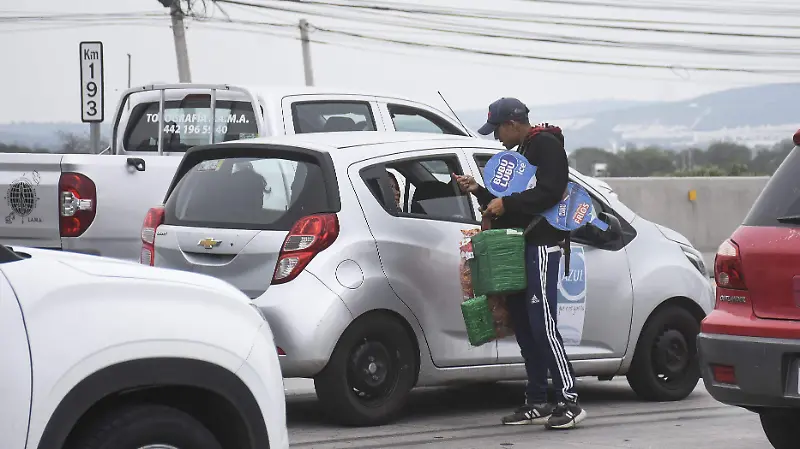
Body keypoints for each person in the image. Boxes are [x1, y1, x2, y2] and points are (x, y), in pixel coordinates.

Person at [454, 97, 587, 430]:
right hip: (520, 247)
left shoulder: (545, 146)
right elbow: (513, 205)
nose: (497, 137)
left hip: (542, 246)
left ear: (513, 124)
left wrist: (506, 202)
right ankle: (538, 398)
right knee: (524, 325)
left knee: (542, 323)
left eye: (498, 129)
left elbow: (551, 192)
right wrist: (480, 193)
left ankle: (569, 400)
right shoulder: (523, 151)